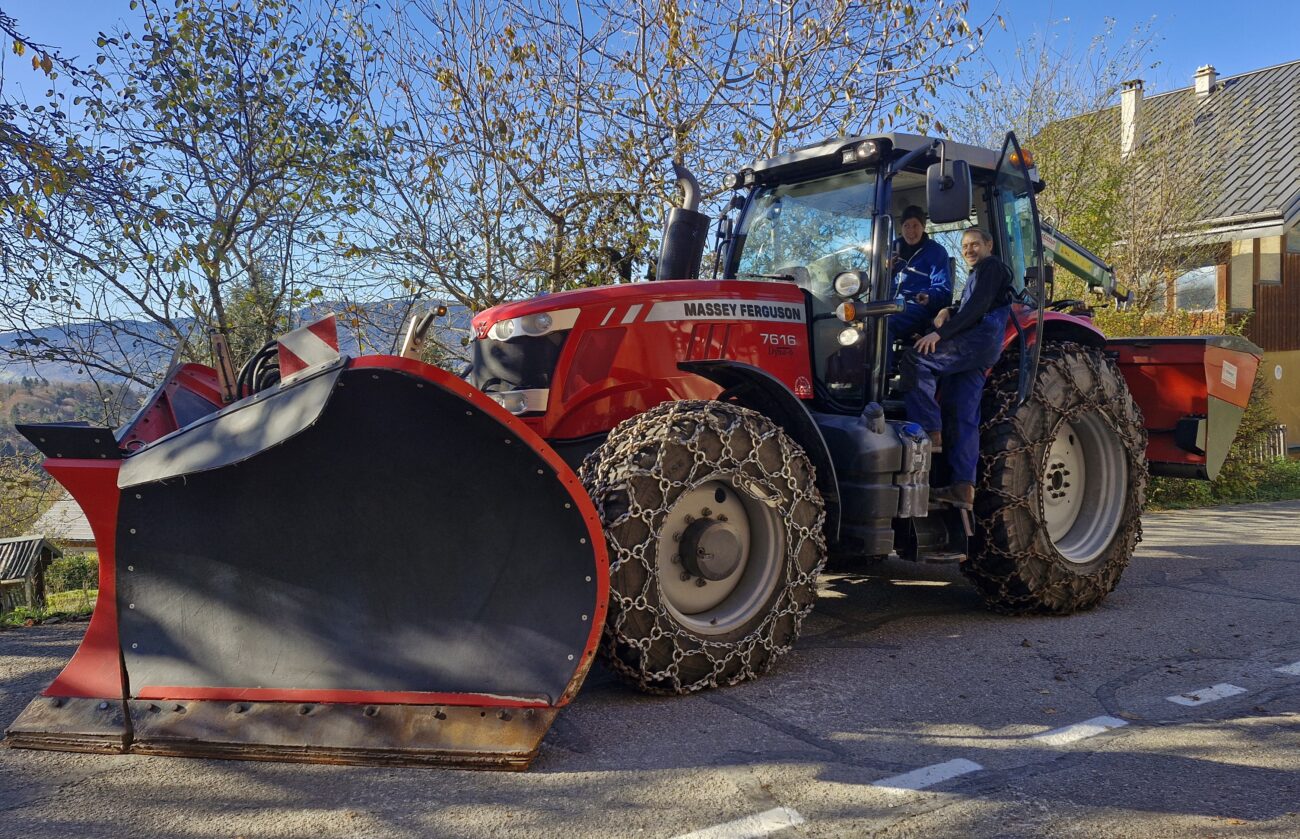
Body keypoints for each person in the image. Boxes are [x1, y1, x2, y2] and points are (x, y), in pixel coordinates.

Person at [898, 226, 1013, 509]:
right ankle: (963, 487)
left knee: (916, 359)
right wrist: (947, 310)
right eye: (964, 246)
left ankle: (929, 430)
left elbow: (977, 310)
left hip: (978, 340)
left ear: (989, 245)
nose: (969, 250)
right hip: (978, 349)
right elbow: (968, 305)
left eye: (974, 244)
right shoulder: (978, 275)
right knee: (962, 413)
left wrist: (940, 335)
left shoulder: (992, 267)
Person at [888, 205, 951, 347]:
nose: (911, 231)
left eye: (915, 225)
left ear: (923, 226)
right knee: (861, 322)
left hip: (915, 307)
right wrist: (887, 270)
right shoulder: (891, 249)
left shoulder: (936, 252)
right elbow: (877, 282)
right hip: (888, 304)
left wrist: (928, 296)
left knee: (884, 323)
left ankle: (881, 369)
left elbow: (943, 288)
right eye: (906, 226)